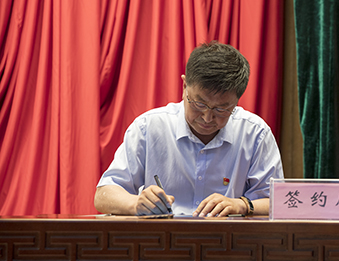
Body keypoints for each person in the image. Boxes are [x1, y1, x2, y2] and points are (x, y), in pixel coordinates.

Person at [95, 42, 283, 217]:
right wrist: (136, 203)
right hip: (161, 239)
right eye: (199, 104)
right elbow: (104, 195)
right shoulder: (149, 128)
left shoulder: (255, 134)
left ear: (237, 101)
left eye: (221, 109)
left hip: (228, 239)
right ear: (184, 86)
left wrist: (242, 205)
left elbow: (280, 203)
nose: (207, 118)